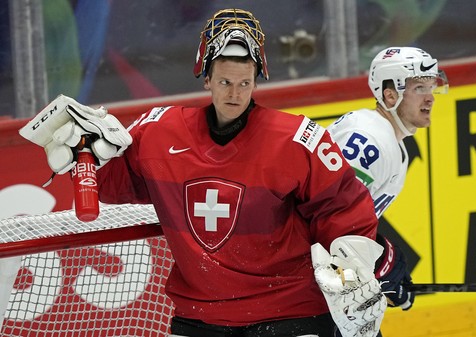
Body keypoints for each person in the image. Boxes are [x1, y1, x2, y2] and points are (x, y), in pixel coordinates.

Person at [19, 9, 413, 337]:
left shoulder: (298, 139)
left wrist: (354, 264)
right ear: (206, 79)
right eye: (225, 81)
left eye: (245, 83)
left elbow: (344, 207)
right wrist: (89, 156)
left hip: (291, 315)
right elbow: (117, 184)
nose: (235, 93)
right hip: (202, 317)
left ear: (256, 82)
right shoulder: (159, 132)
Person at [328, 46, 449, 313]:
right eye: (419, 88)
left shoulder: (391, 144)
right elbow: (322, 219)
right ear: (390, 94)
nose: (430, 98)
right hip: (297, 282)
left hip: (320, 279)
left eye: (432, 87)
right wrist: (382, 261)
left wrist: (372, 273)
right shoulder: (370, 140)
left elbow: (343, 228)